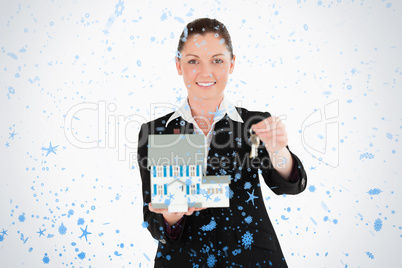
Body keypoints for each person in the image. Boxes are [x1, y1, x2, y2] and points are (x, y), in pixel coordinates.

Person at [137, 18, 307, 268]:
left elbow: (290, 186)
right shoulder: (156, 132)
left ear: (232, 64)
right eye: (193, 61)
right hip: (183, 260)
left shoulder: (254, 124)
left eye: (217, 60)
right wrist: (171, 216)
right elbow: (153, 221)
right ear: (178, 65)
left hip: (252, 258)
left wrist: (278, 150)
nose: (206, 73)